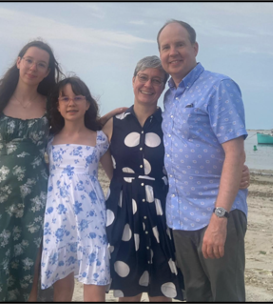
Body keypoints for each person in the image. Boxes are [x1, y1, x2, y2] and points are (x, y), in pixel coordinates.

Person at [0, 39, 64, 302]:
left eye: (41, 64)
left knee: (30, 263)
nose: (34, 67)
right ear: (19, 62)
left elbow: (75, 132)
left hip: (37, 198)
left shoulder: (52, 106)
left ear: (46, 72)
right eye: (29, 60)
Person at [157, 19, 248, 301]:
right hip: (181, 218)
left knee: (226, 294)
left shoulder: (219, 86)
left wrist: (219, 218)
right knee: (196, 294)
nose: (173, 52)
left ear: (195, 48)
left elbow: (235, 152)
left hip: (216, 213)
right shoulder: (169, 97)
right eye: (166, 47)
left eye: (180, 44)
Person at [102, 55, 185, 302]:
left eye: (156, 80)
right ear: (133, 80)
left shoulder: (170, 123)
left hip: (161, 212)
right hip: (122, 211)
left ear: (163, 87)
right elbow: (98, 157)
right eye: (143, 78)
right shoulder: (112, 123)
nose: (148, 85)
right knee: (128, 287)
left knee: (162, 287)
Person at [40, 76, 112, 302]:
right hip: (57, 217)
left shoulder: (100, 139)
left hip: (91, 217)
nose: (71, 103)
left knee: (95, 273)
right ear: (58, 106)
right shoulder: (48, 140)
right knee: (62, 276)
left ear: (88, 104)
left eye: (78, 98)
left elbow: (115, 177)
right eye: (65, 98)